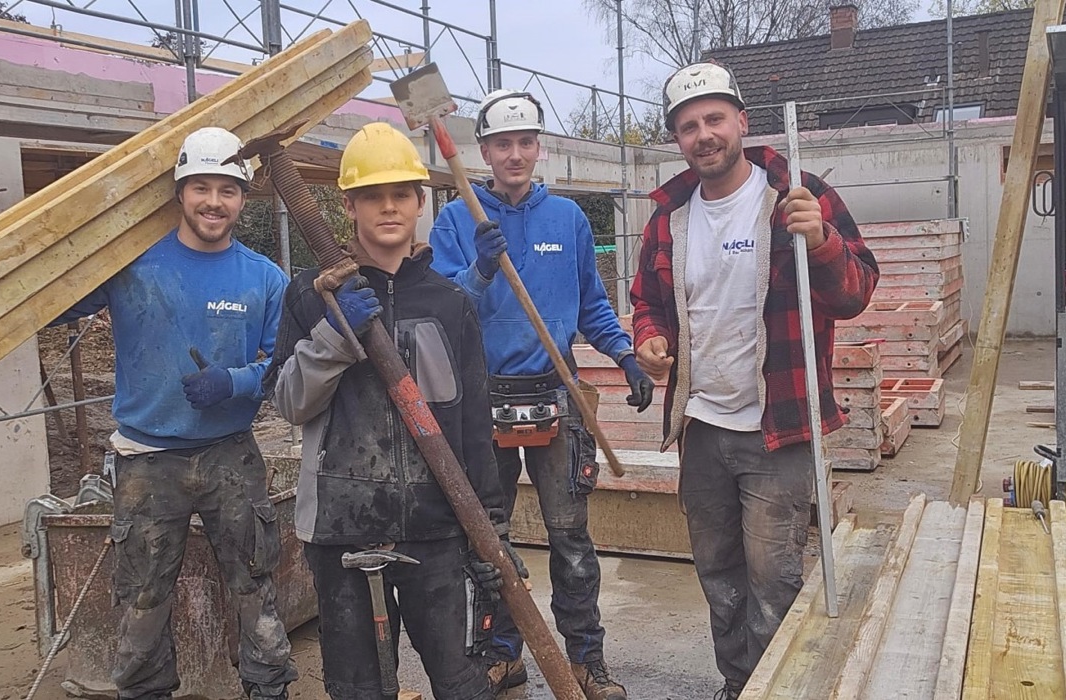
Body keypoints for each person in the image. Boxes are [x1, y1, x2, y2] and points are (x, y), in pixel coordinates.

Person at [629, 62, 879, 700]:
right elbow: (648, 301)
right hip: (702, 428)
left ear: (741, 121)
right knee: (718, 574)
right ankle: (738, 684)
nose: (703, 134)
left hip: (778, 426)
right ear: (677, 139)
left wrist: (820, 239)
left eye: (714, 118)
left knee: (774, 579)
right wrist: (649, 341)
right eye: (688, 126)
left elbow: (855, 294)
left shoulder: (797, 194)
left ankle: (780, 688)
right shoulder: (670, 217)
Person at [269, 121, 515, 700]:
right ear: (348, 204)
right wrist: (332, 336)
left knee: (459, 682)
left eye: (401, 193)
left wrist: (493, 533)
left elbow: (474, 427)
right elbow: (288, 403)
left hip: (436, 524)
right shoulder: (310, 293)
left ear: (419, 200)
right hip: (339, 526)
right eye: (373, 195)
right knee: (358, 688)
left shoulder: (450, 303)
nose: (388, 207)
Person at [55, 127, 296, 700]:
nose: (214, 201)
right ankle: (144, 692)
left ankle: (267, 689)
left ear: (244, 197)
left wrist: (233, 381)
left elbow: (286, 364)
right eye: (201, 188)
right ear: (179, 192)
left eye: (228, 190)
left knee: (254, 585)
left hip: (230, 452)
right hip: (147, 459)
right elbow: (49, 302)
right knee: (142, 594)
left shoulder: (263, 277)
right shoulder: (133, 265)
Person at [429, 90, 652, 700]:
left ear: (539, 146)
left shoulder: (570, 221)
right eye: (503, 143)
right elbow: (447, 313)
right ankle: (501, 654)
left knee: (571, 540)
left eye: (525, 141)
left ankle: (586, 661)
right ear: (484, 150)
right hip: (483, 397)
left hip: (555, 394)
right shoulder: (457, 218)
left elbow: (591, 306)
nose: (515, 154)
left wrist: (626, 355)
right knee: (490, 539)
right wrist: (477, 268)